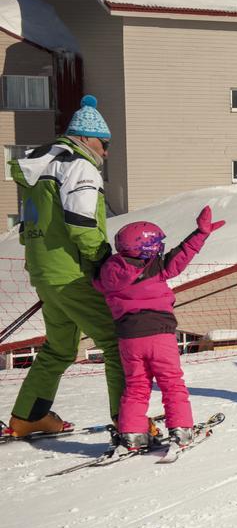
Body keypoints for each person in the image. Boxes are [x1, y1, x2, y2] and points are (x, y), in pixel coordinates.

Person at [2, 96, 126, 437]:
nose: (106, 152)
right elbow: (82, 223)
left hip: (44, 270)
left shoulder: (37, 172)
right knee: (117, 341)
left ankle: (29, 416)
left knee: (59, 348)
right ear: (86, 138)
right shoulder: (78, 166)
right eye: (104, 144)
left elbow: (29, 227)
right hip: (74, 273)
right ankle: (127, 422)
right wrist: (103, 264)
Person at [93, 207, 225, 449]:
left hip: (128, 338)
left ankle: (133, 435)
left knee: (136, 386)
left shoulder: (107, 271)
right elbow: (180, 257)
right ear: (146, 248)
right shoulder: (154, 267)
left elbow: (98, 283)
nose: (159, 248)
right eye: (156, 244)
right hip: (159, 334)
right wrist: (201, 233)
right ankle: (182, 430)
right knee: (171, 382)